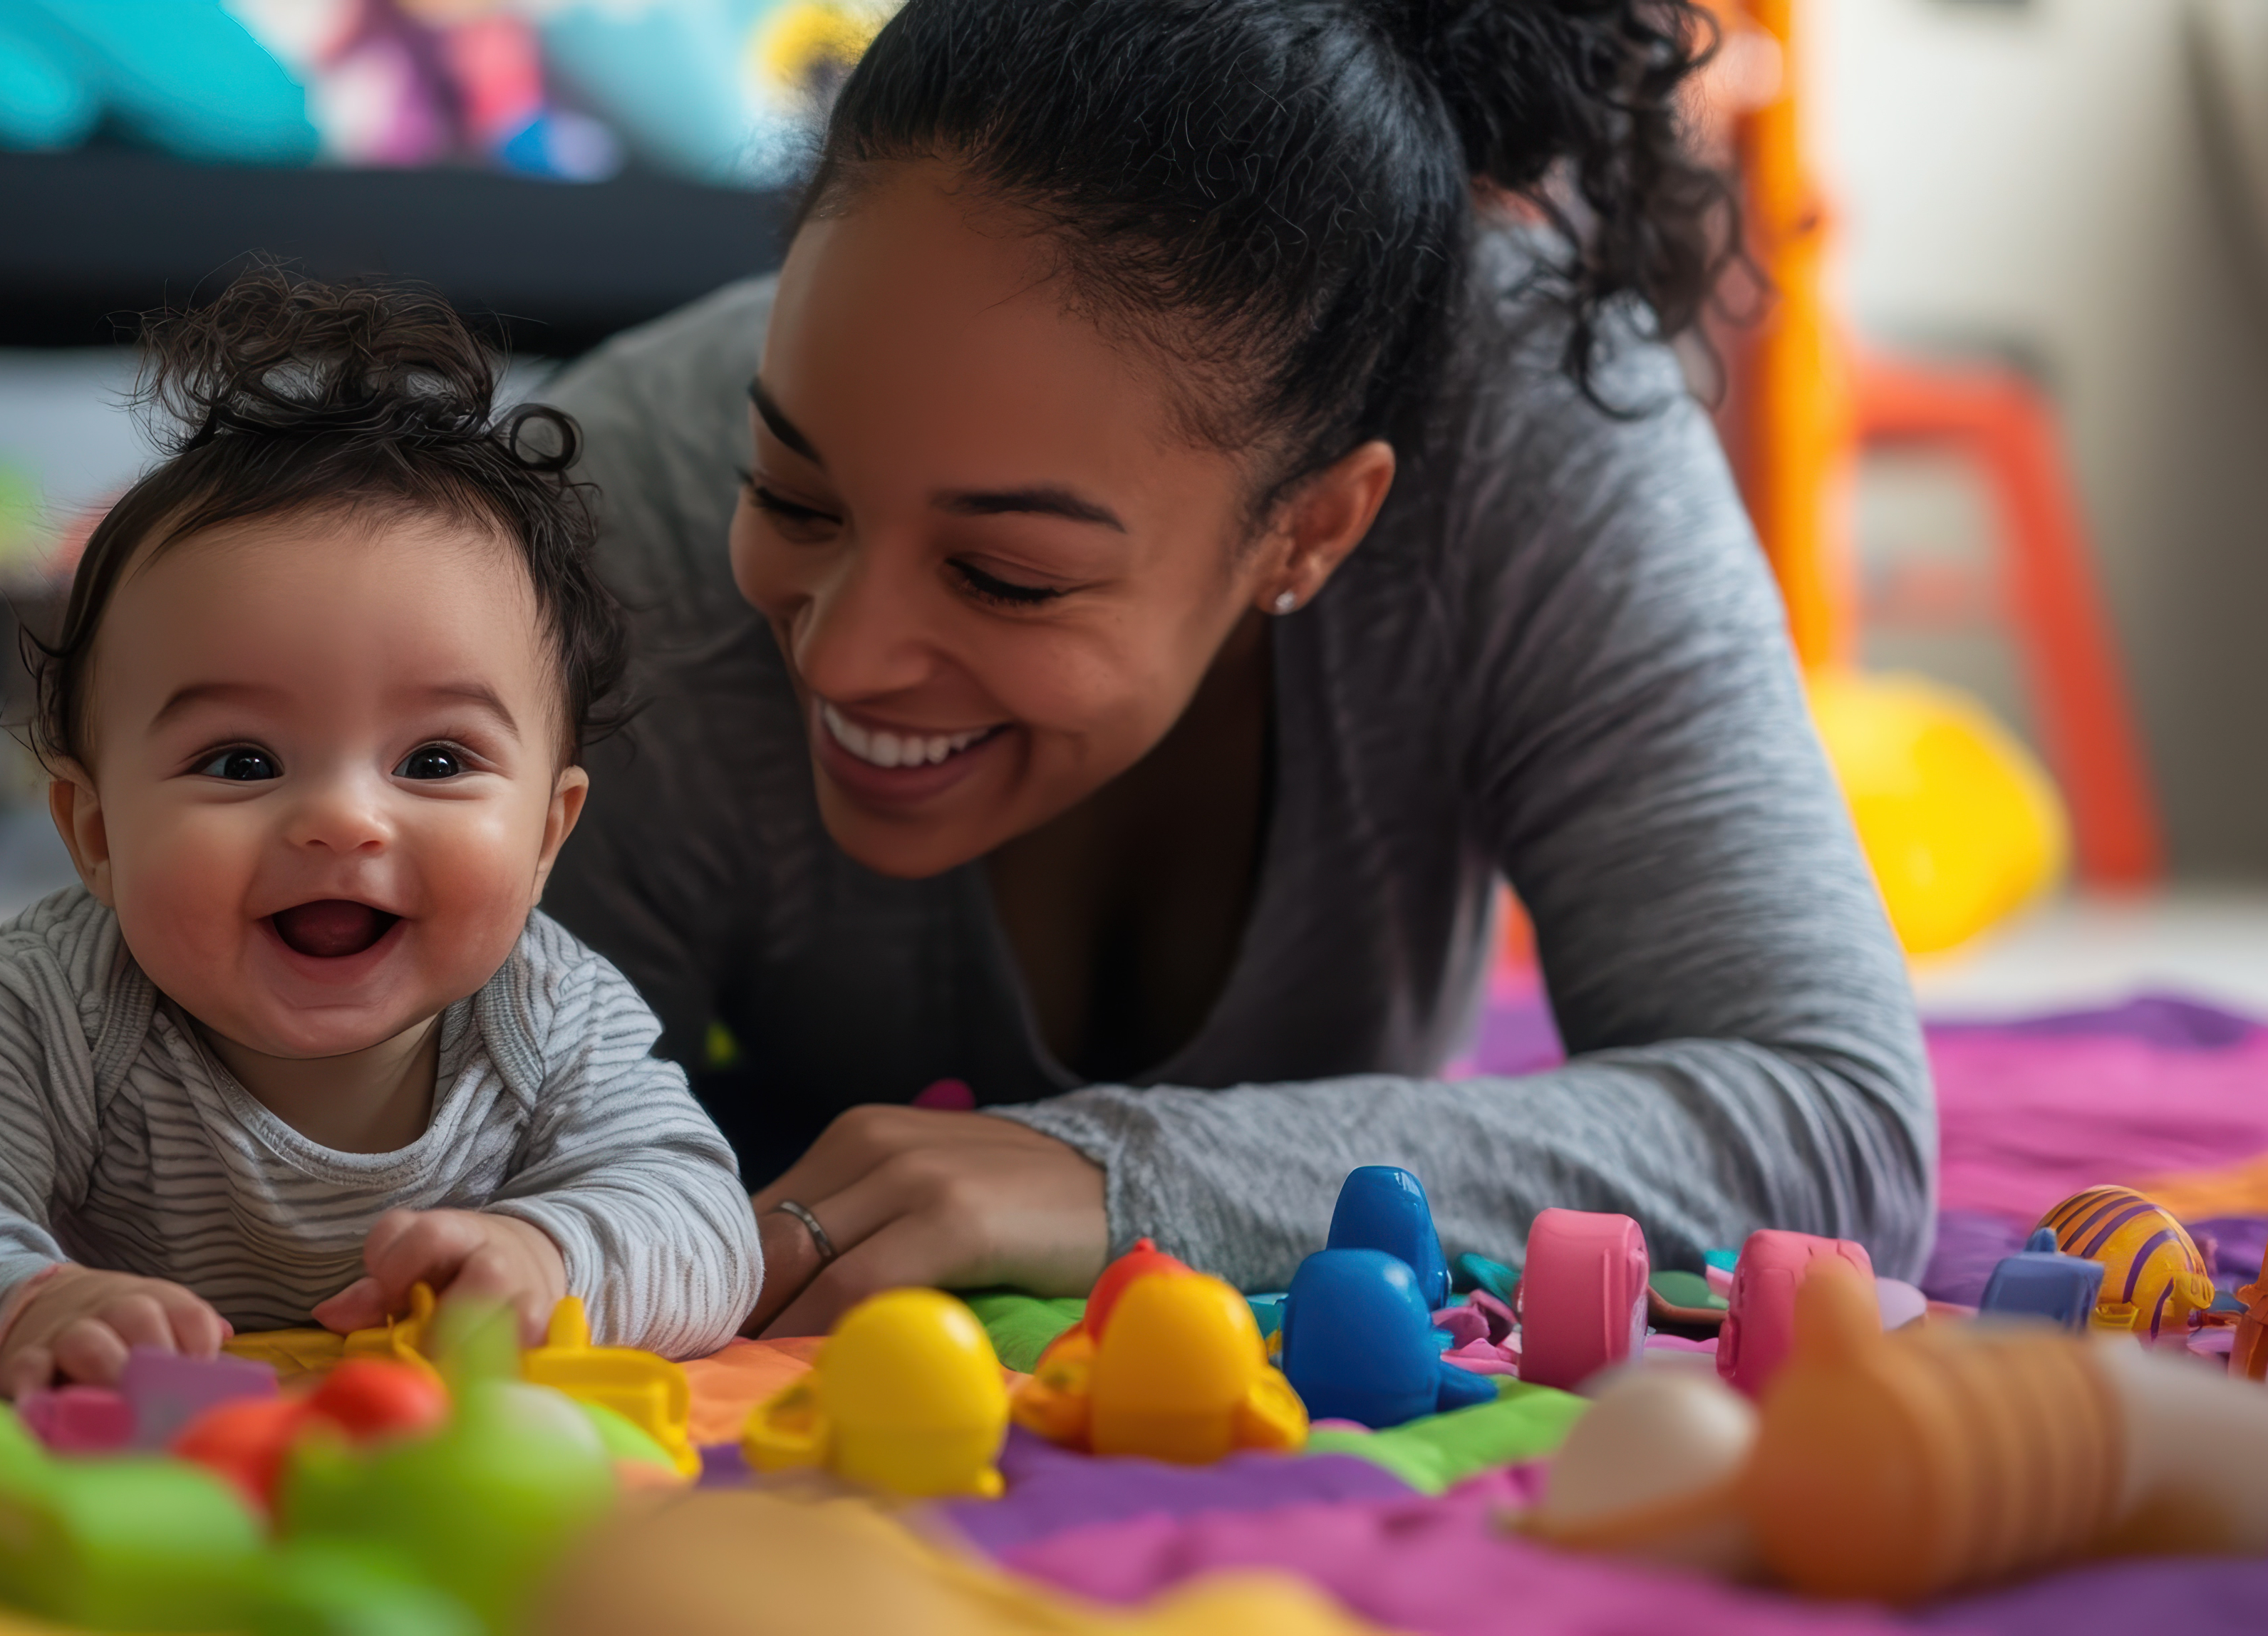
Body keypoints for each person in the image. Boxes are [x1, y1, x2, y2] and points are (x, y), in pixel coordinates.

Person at [539, 0, 1932, 1337]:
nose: (839, 650)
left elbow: (1827, 1124)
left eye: (1005, 575)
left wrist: (1107, 1173)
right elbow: (464, 1140)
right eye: (789, 496)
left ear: (1314, 526)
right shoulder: (621, 517)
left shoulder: (1526, 430)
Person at [0, 274, 758, 1391]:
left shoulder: (552, 1017)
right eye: (241, 762)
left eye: (434, 763)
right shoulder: (48, 1005)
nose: (345, 818)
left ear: (549, 835)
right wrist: (26, 1302)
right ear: (93, 831)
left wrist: (552, 1257)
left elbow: (705, 1223)